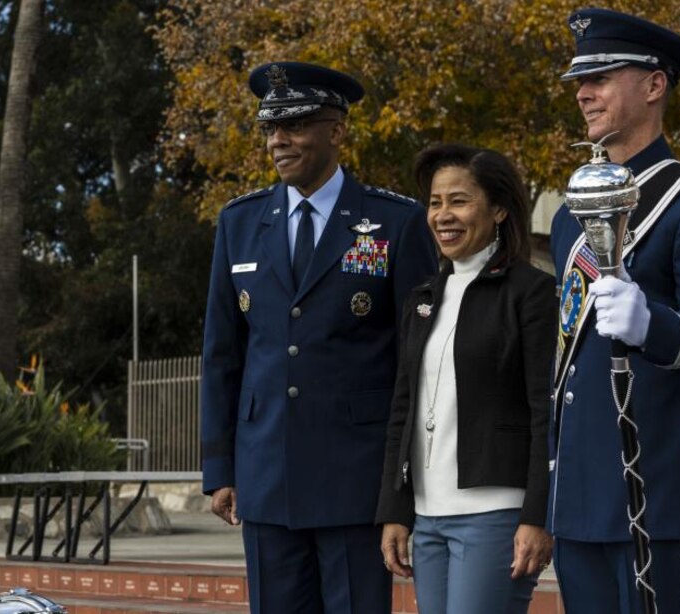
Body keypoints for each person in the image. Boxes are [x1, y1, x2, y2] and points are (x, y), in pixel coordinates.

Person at [200, 61, 438, 614]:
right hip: (265, 476)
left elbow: (418, 358)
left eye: (295, 126)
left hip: (354, 480)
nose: (278, 141)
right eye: (270, 129)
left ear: (337, 131)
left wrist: (404, 485)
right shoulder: (240, 222)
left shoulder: (394, 222)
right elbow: (222, 355)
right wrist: (220, 469)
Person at [548, 7, 680, 614]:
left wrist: (653, 327)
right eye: (580, 82)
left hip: (658, 492)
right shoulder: (570, 215)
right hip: (581, 499)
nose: (583, 93)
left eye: (602, 77)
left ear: (654, 84)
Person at [376, 144, 556, 614]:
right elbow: (404, 408)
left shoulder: (531, 292)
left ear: (498, 208)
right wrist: (395, 511)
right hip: (427, 515)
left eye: (459, 200)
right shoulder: (423, 296)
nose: (443, 215)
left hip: (495, 514)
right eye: (435, 203)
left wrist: (538, 516)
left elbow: (547, 412)